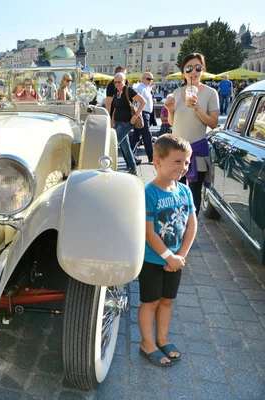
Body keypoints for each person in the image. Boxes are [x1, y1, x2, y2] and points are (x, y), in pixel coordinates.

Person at [139, 134, 197, 367]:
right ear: (157, 161)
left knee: (167, 301)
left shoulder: (185, 191)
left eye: (186, 162)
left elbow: (192, 224)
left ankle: (162, 338)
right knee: (150, 302)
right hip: (153, 260)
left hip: (176, 261)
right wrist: (168, 256)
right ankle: (147, 343)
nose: (183, 167)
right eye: (177, 161)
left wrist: (180, 255)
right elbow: (149, 232)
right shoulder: (148, 193)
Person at [163, 53, 219, 215]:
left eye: (197, 67)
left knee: (194, 194)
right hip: (176, 151)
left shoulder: (210, 93)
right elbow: (173, 123)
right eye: (188, 68)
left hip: (197, 151)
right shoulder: (176, 92)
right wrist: (170, 110)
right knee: (175, 191)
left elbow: (213, 123)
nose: (193, 71)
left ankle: (190, 229)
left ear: (203, 70)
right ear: (183, 72)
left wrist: (197, 108)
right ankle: (176, 227)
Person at [111, 72, 146, 175]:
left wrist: (135, 116)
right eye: (115, 82)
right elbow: (115, 109)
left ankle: (106, 166)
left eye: (119, 82)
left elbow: (143, 102)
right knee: (125, 147)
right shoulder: (116, 92)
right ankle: (133, 168)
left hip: (126, 122)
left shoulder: (128, 90)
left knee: (113, 144)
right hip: (117, 122)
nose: (117, 84)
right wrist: (112, 122)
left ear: (124, 81)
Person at [130, 72, 155, 164]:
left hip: (146, 113)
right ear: (143, 79)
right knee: (147, 135)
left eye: (151, 79)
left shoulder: (147, 88)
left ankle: (129, 156)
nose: (150, 81)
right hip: (142, 113)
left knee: (136, 136)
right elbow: (136, 101)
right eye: (149, 79)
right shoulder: (140, 88)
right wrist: (137, 113)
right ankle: (151, 157)